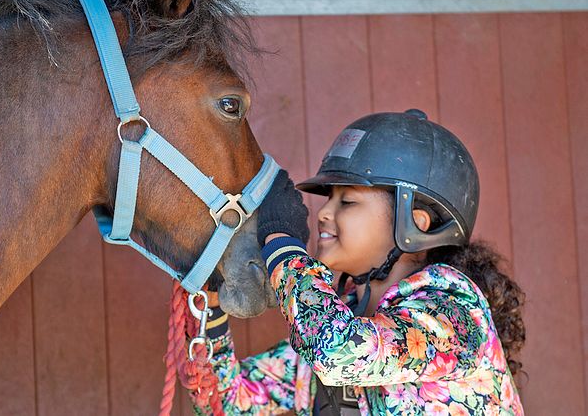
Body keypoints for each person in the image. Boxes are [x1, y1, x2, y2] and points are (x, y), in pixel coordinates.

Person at [191, 109, 525, 415]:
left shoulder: (453, 312)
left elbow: (338, 350)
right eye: (329, 199)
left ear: (415, 223)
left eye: (347, 201)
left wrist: (282, 244)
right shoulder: (344, 317)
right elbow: (230, 402)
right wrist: (212, 304)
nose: (323, 213)